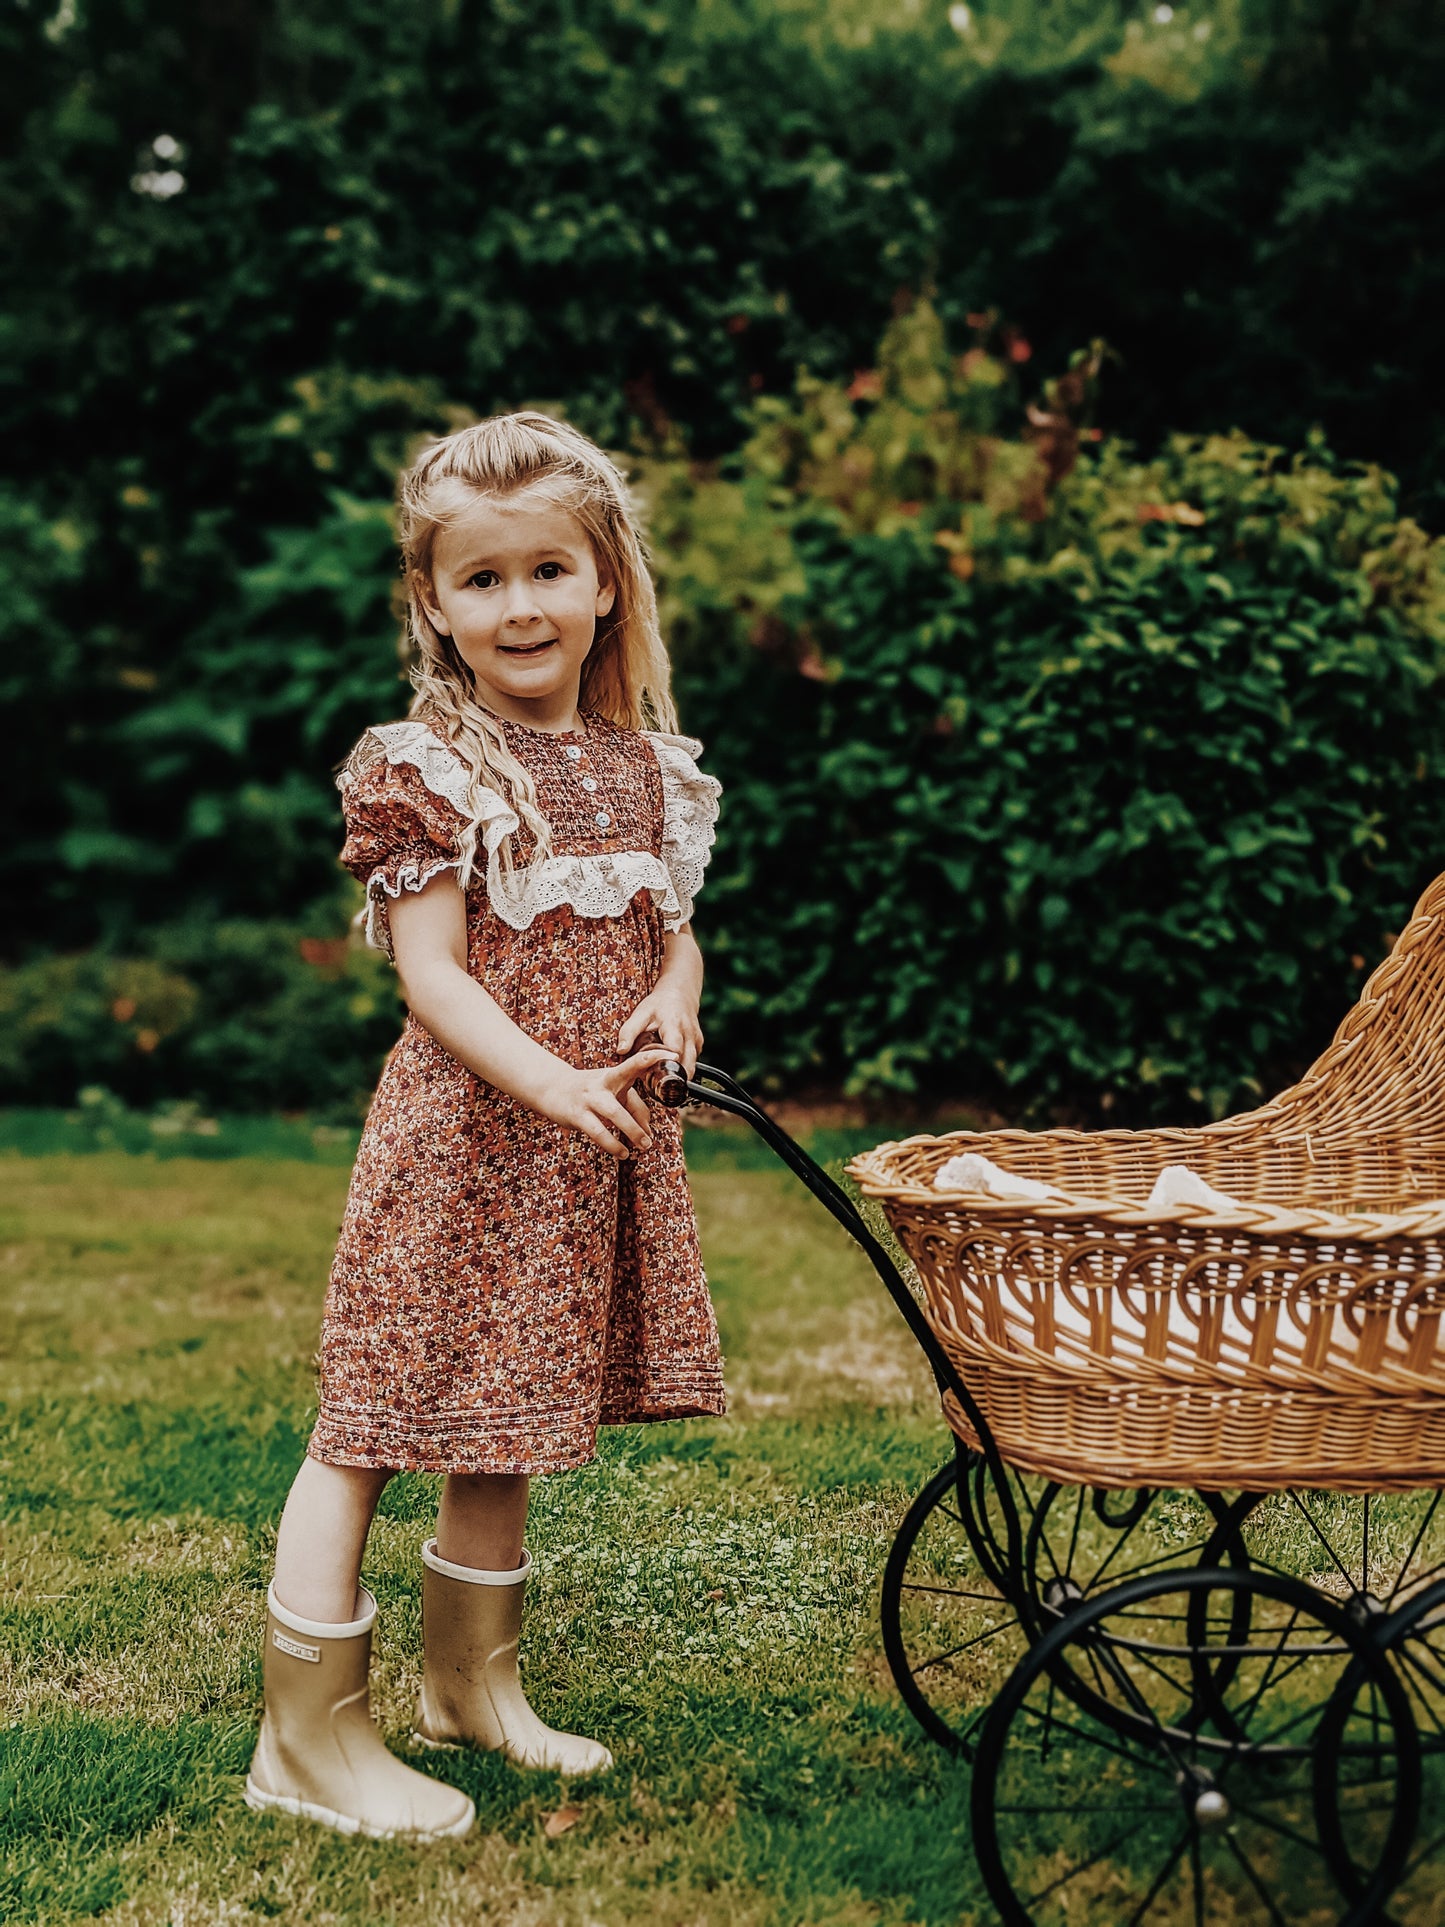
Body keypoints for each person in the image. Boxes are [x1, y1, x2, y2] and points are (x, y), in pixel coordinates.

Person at [244, 411, 726, 1841]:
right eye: (482, 580)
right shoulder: (422, 766)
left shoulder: (643, 764)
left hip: (575, 1159)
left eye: (547, 572)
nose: (519, 605)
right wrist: (550, 1080)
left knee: (508, 1412)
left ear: (603, 585)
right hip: (464, 1151)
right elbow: (433, 975)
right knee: (373, 1419)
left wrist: (672, 1004)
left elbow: (675, 931)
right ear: (434, 604)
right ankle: (305, 1739)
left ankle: (472, 1693)